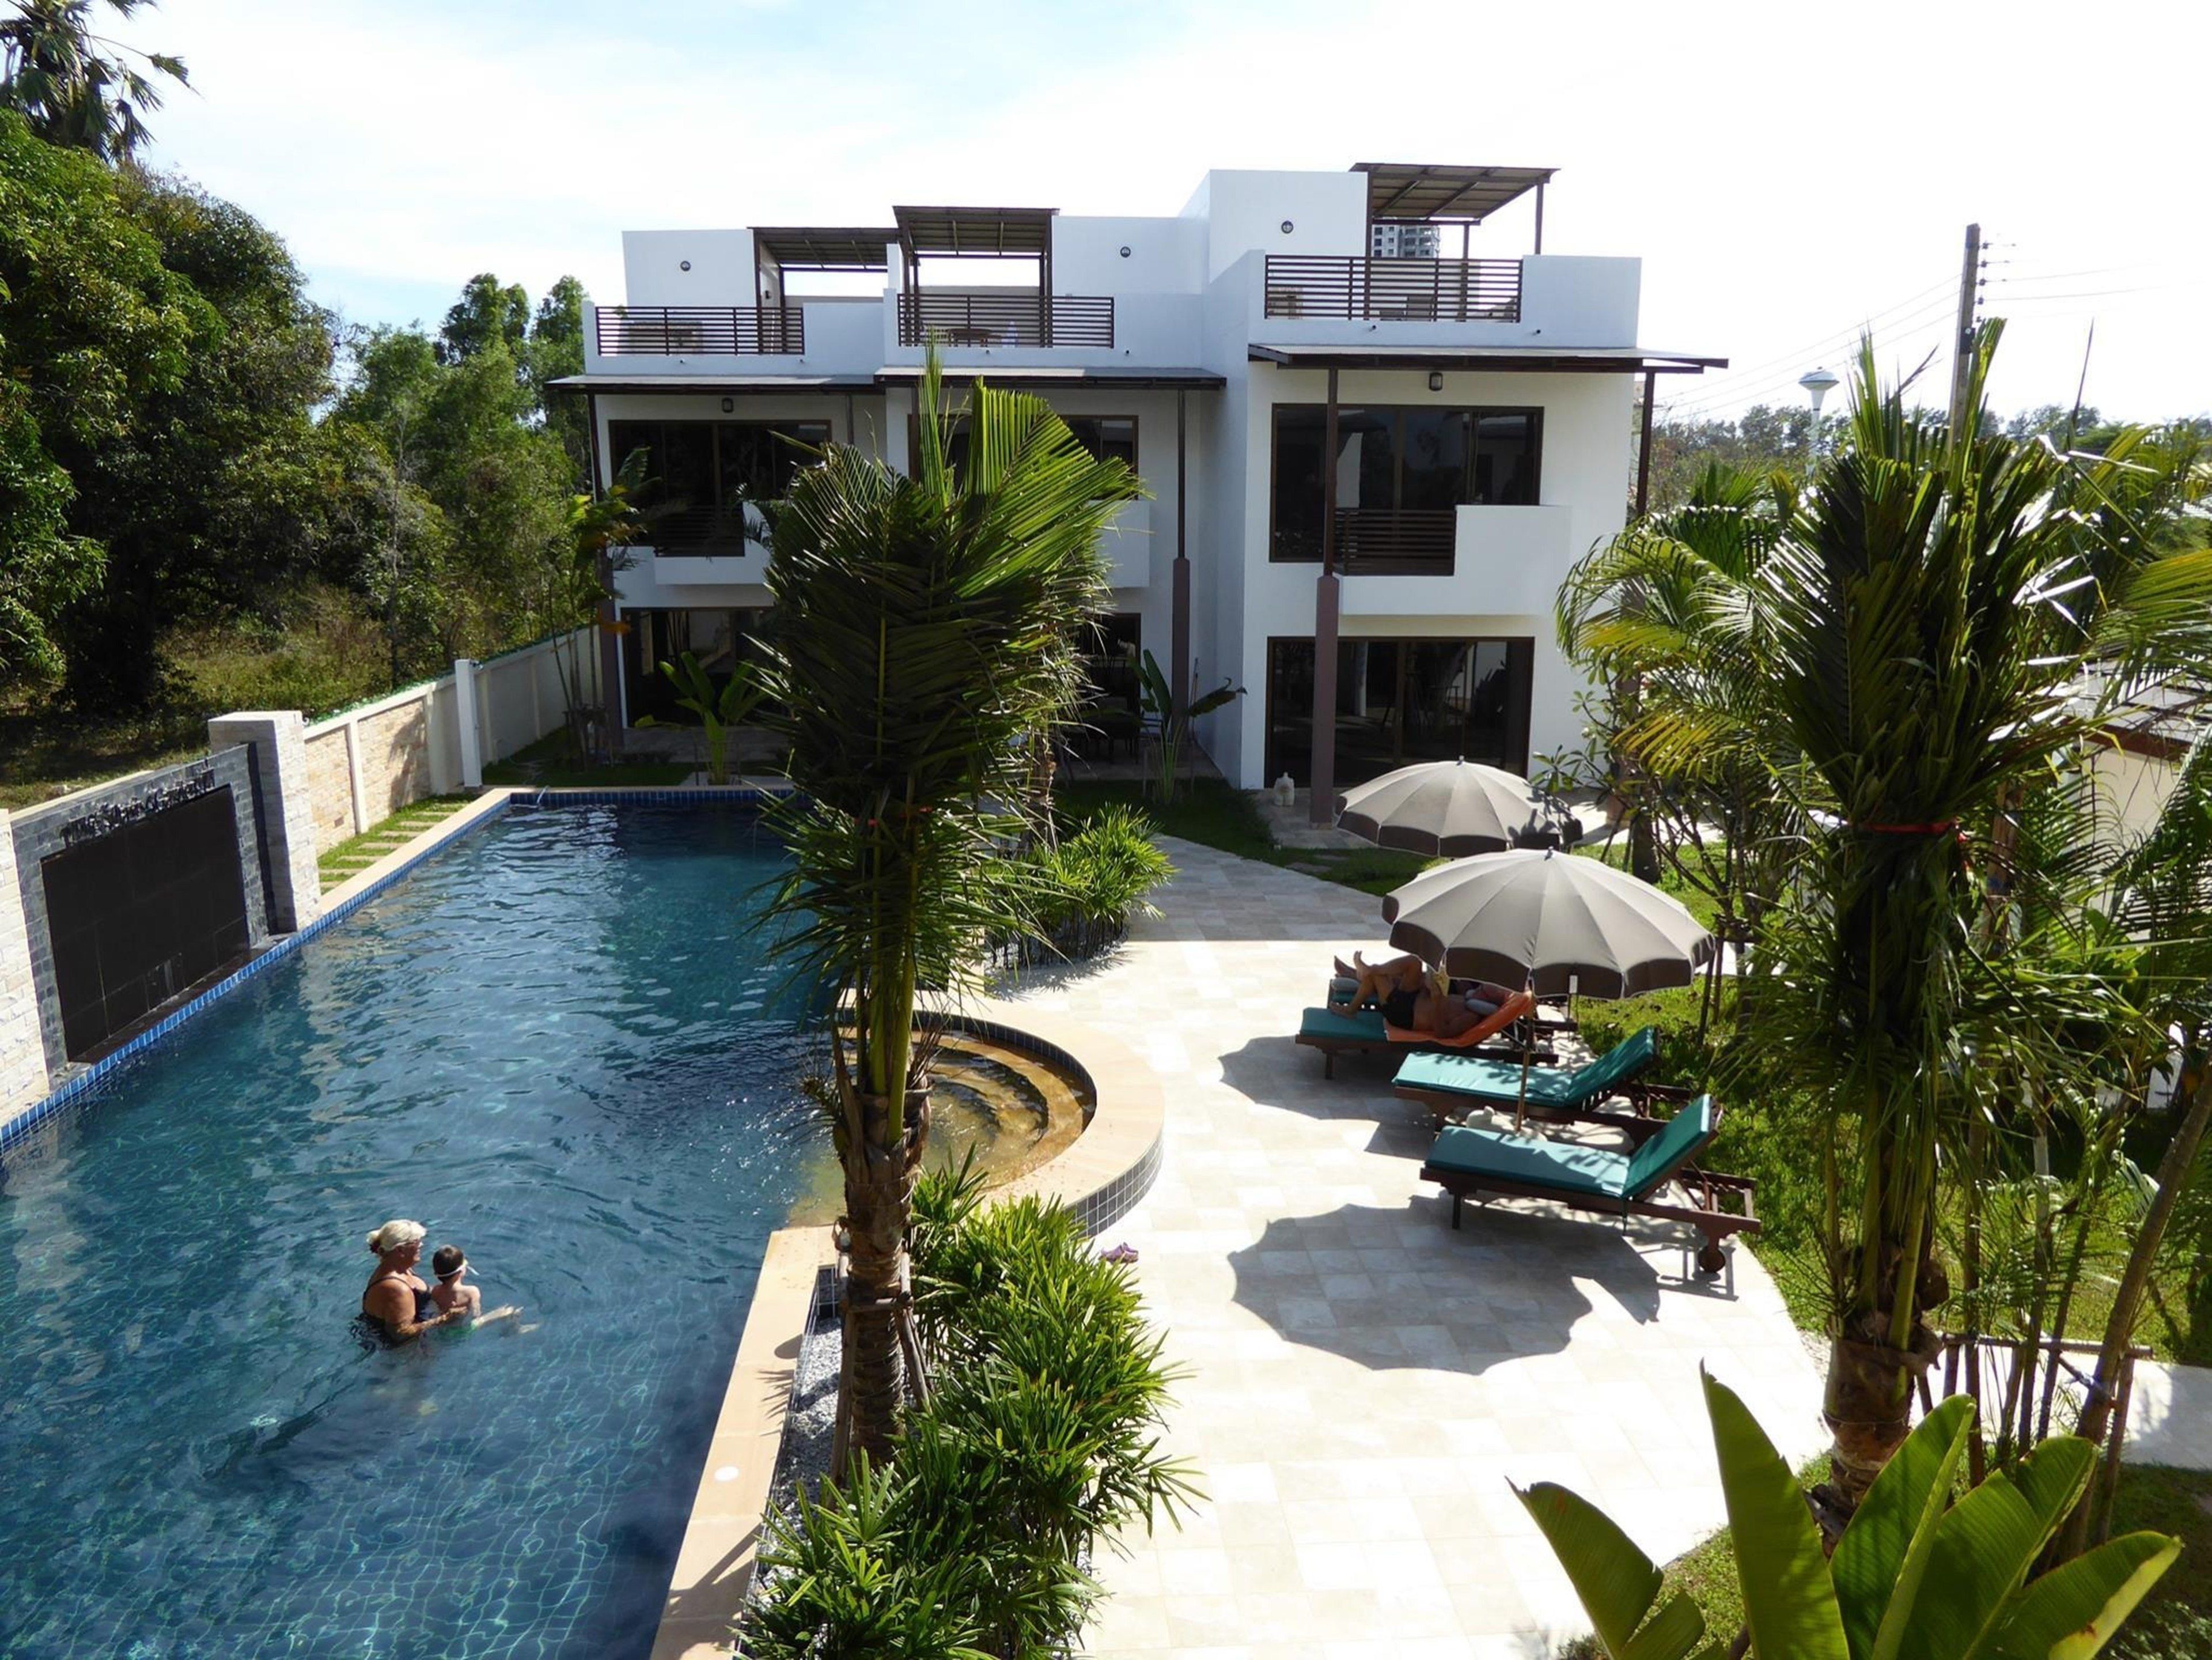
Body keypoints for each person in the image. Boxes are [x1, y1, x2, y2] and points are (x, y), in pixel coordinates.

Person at [1330, 952, 1513, 1040]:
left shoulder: (1470, 1017)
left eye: (1485, 991)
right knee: (1413, 962)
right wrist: (1429, 988)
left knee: (1378, 977)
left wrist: (1437, 1001)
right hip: (1415, 997)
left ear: (1486, 1003)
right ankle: (1367, 971)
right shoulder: (1465, 999)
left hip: (1405, 1013)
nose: (1480, 988)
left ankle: (1358, 989)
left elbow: (1442, 1033)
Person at [361, 1219, 465, 1343]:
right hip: (402, 1353)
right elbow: (400, 1333)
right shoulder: (397, 1288)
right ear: (400, 1250)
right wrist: (445, 1319)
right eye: (416, 1242)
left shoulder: (404, 1269)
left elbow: (418, 1294)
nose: (421, 1245)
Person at [428, 1245, 521, 1328]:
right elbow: (476, 1315)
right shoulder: (471, 1292)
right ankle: (516, 1330)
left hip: (444, 1329)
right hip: (464, 1330)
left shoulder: (435, 1291)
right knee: (510, 1311)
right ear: (461, 1271)